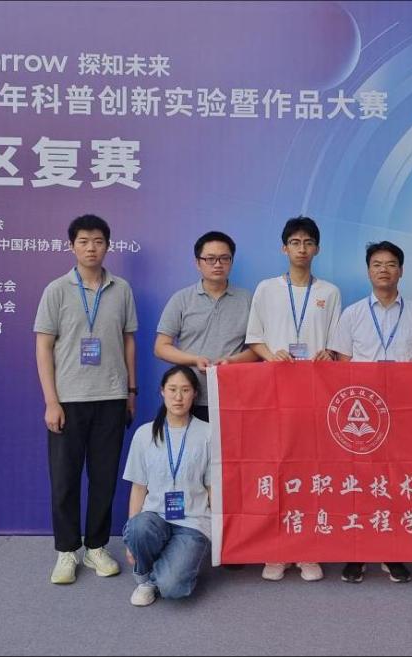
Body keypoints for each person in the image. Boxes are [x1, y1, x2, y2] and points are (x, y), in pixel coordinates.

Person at [34, 214, 138, 585]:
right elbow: (43, 347)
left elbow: (128, 341)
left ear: (107, 245)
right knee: (64, 479)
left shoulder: (121, 289)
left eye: (98, 241)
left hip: (111, 397)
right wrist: (51, 401)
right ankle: (66, 551)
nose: (91, 248)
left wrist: (131, 391)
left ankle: (96, 546)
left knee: (104, 478)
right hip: (69, 399)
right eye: (83, 241)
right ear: (72, 246)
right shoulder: (57, 290)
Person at [328, 241, 412, 584]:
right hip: (362, 413)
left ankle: (393, 552)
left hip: (403, 410)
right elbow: (343, 365)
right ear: (368, 271)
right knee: (360, 481)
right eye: (377, 264)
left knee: (397, 480)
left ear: (401, 270)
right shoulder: (353, 314)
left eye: (391, 264)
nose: (384, 270)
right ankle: (357, 553)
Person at [246, 215, 342, 582]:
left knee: (312, 470)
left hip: (316, 394)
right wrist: (272, 356)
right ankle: (278, 549)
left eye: (308, 243)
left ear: (317, 249)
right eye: (295, 242)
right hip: (276, 391)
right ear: (284, 248)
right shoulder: (267, 289)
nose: (302, 249)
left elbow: (335, 345)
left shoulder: (329, 292)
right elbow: (255, 338)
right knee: (277, 468)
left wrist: (328, 355)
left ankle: (307, 550)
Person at [122, 365, 212, 606]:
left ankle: (163, 571)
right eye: (172, 389)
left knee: (173, 588)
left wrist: (220, 529)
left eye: (185, 390)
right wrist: (131, 541)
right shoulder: (144, 434)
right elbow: (138, 487)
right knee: (139, 527)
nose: (178, 397)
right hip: (155, 518)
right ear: (162, 391)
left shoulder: (208, 433)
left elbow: (212, 487)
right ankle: (145, 580)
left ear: (195, 394)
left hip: (193, 521)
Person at [155, 231, 257, 423]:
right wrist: (195, 360)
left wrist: (231, 361)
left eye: (224, 258)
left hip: (233, 395)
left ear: (231, 262)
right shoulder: (181, 299)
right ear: (198, 263)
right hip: (189, 396)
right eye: (210, 259)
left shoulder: (248, 299)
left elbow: (257, 349)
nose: (218, 264)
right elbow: (161, 347)